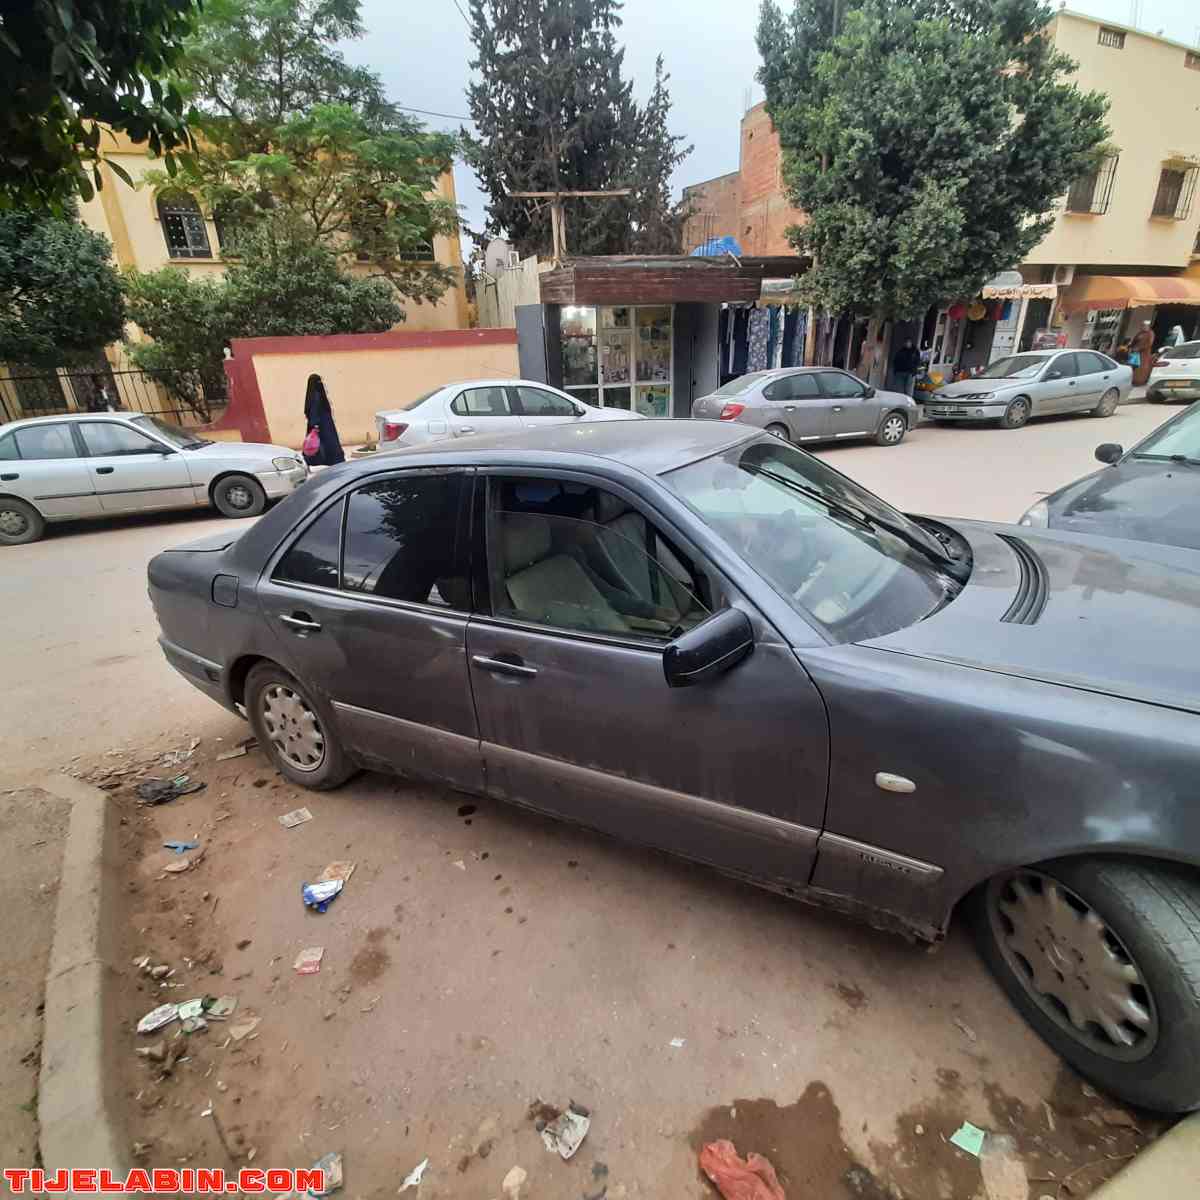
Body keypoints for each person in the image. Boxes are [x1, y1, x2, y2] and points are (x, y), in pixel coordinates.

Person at [302, 373, 345, 466]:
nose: (320, 383)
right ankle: (332, 460)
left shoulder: (312, 395)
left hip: (319, 424)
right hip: (322, 425)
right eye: (318, 382)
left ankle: (315, 460)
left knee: (318, 444)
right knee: (327, 444)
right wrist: (315, 425)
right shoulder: (317, 395)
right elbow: (314, 410)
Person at [1130, 321, 1155, 387]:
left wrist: (1140, 348)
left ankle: (1139, 381)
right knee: (1133, 365)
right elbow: (1134, 341)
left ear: (1148, 326)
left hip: (1144, 354)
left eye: (1145, 326)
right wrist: (1132, 347)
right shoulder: (1139, 333)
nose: (1143, 327)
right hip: (1135, 352)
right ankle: (1131, 380)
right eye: (1142, 326)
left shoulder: (1150, 333)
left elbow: (1149, 344)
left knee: (1141, 367)